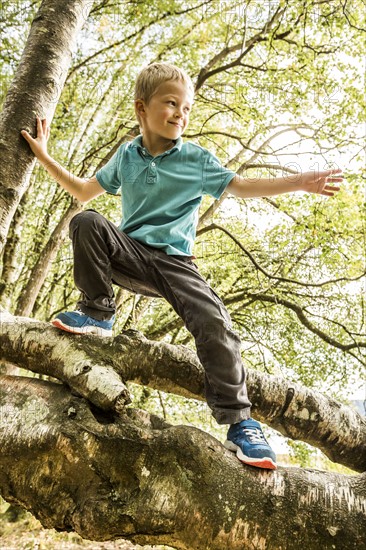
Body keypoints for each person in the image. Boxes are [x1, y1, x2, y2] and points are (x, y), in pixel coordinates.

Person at [21, 62, 342, 471]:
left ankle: (240, 424)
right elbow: (84, 192)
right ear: (142, 108)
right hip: (130, 254)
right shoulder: (126, 155)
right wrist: (45, 156)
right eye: (171, 103)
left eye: (187, 108)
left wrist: (299, 181)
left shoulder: (195, 158)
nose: (180, 114)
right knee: (86, 222)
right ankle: (97, 312)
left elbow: (241, 187)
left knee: (215, 322)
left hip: (176, 264)